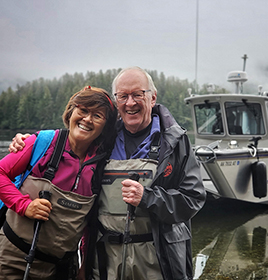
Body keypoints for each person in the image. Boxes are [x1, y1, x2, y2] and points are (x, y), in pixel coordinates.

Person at [9, 66, 206, 280]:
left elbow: (193, 198)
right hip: (106, 261)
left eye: (137, 94)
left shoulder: (175, 142)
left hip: (159, 260)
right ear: (116, 102)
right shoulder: (102, 139)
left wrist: (149, 198)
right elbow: (71, 142)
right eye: (123, 96)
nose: (130, 103)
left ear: (152, 98)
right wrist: (29, 143)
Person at [1, 86, 117, 279]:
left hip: (62, 270)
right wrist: (24, 206)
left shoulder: (101, 165)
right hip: (12, 261)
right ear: (71, 111)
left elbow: (90, 224)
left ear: (105, 127)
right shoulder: (42, 143)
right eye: (83, 110)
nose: (87, 119)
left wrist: (83, 269)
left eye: (98, 116)